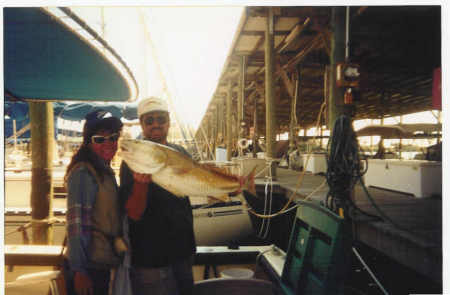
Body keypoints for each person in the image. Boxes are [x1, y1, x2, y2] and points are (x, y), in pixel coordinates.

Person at [119, 97, 196, 295]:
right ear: (142, 124)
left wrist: (222, 189)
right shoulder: (133, 159)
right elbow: (134, 213)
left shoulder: (180, 152)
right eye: (149, 120)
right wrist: (140, 185)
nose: (155, 124)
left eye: (160, 119)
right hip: (151, 258)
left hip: (183, 252)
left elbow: (195, 186)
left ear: (168, 122)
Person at [64, 110, 125, 295]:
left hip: (101, 263)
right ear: (88, 143)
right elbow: (77, 225)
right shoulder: (84, 173)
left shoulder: (104, 170)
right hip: (89, 268)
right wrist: (79, 271)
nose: (108, 144)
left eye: (113, 138)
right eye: (99, 139)